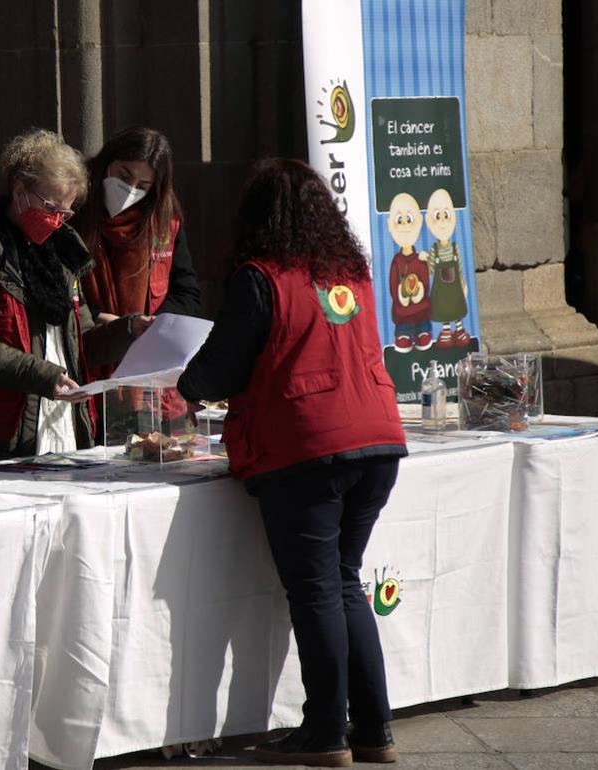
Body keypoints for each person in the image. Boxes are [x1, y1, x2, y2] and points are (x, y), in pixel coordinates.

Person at [178, 158, 407, 767]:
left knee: (317, 591)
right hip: (379, 439)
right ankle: (374, 729)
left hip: (309, 446)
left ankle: (327, 732)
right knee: (342, 582)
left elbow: (216, 370)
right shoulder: (350, 274)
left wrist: (187, 384)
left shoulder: (262, 277)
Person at [0, 129, 131, 462]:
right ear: (20, 190)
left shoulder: (64, 256)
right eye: (51, 206)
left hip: (62, 426)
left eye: (66, 213)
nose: (57, 221)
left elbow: (80, 342)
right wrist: (44, 375)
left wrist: (129, 331)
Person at [74, 125, 202, 432]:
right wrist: (100, 319)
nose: (130, 189)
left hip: (149, 378)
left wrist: (153, 325)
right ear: (107, 162)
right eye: (123, 176)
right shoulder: (76, 212)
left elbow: (187, 292)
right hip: (88, 367)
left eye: (142, 185)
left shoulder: (164, 220)